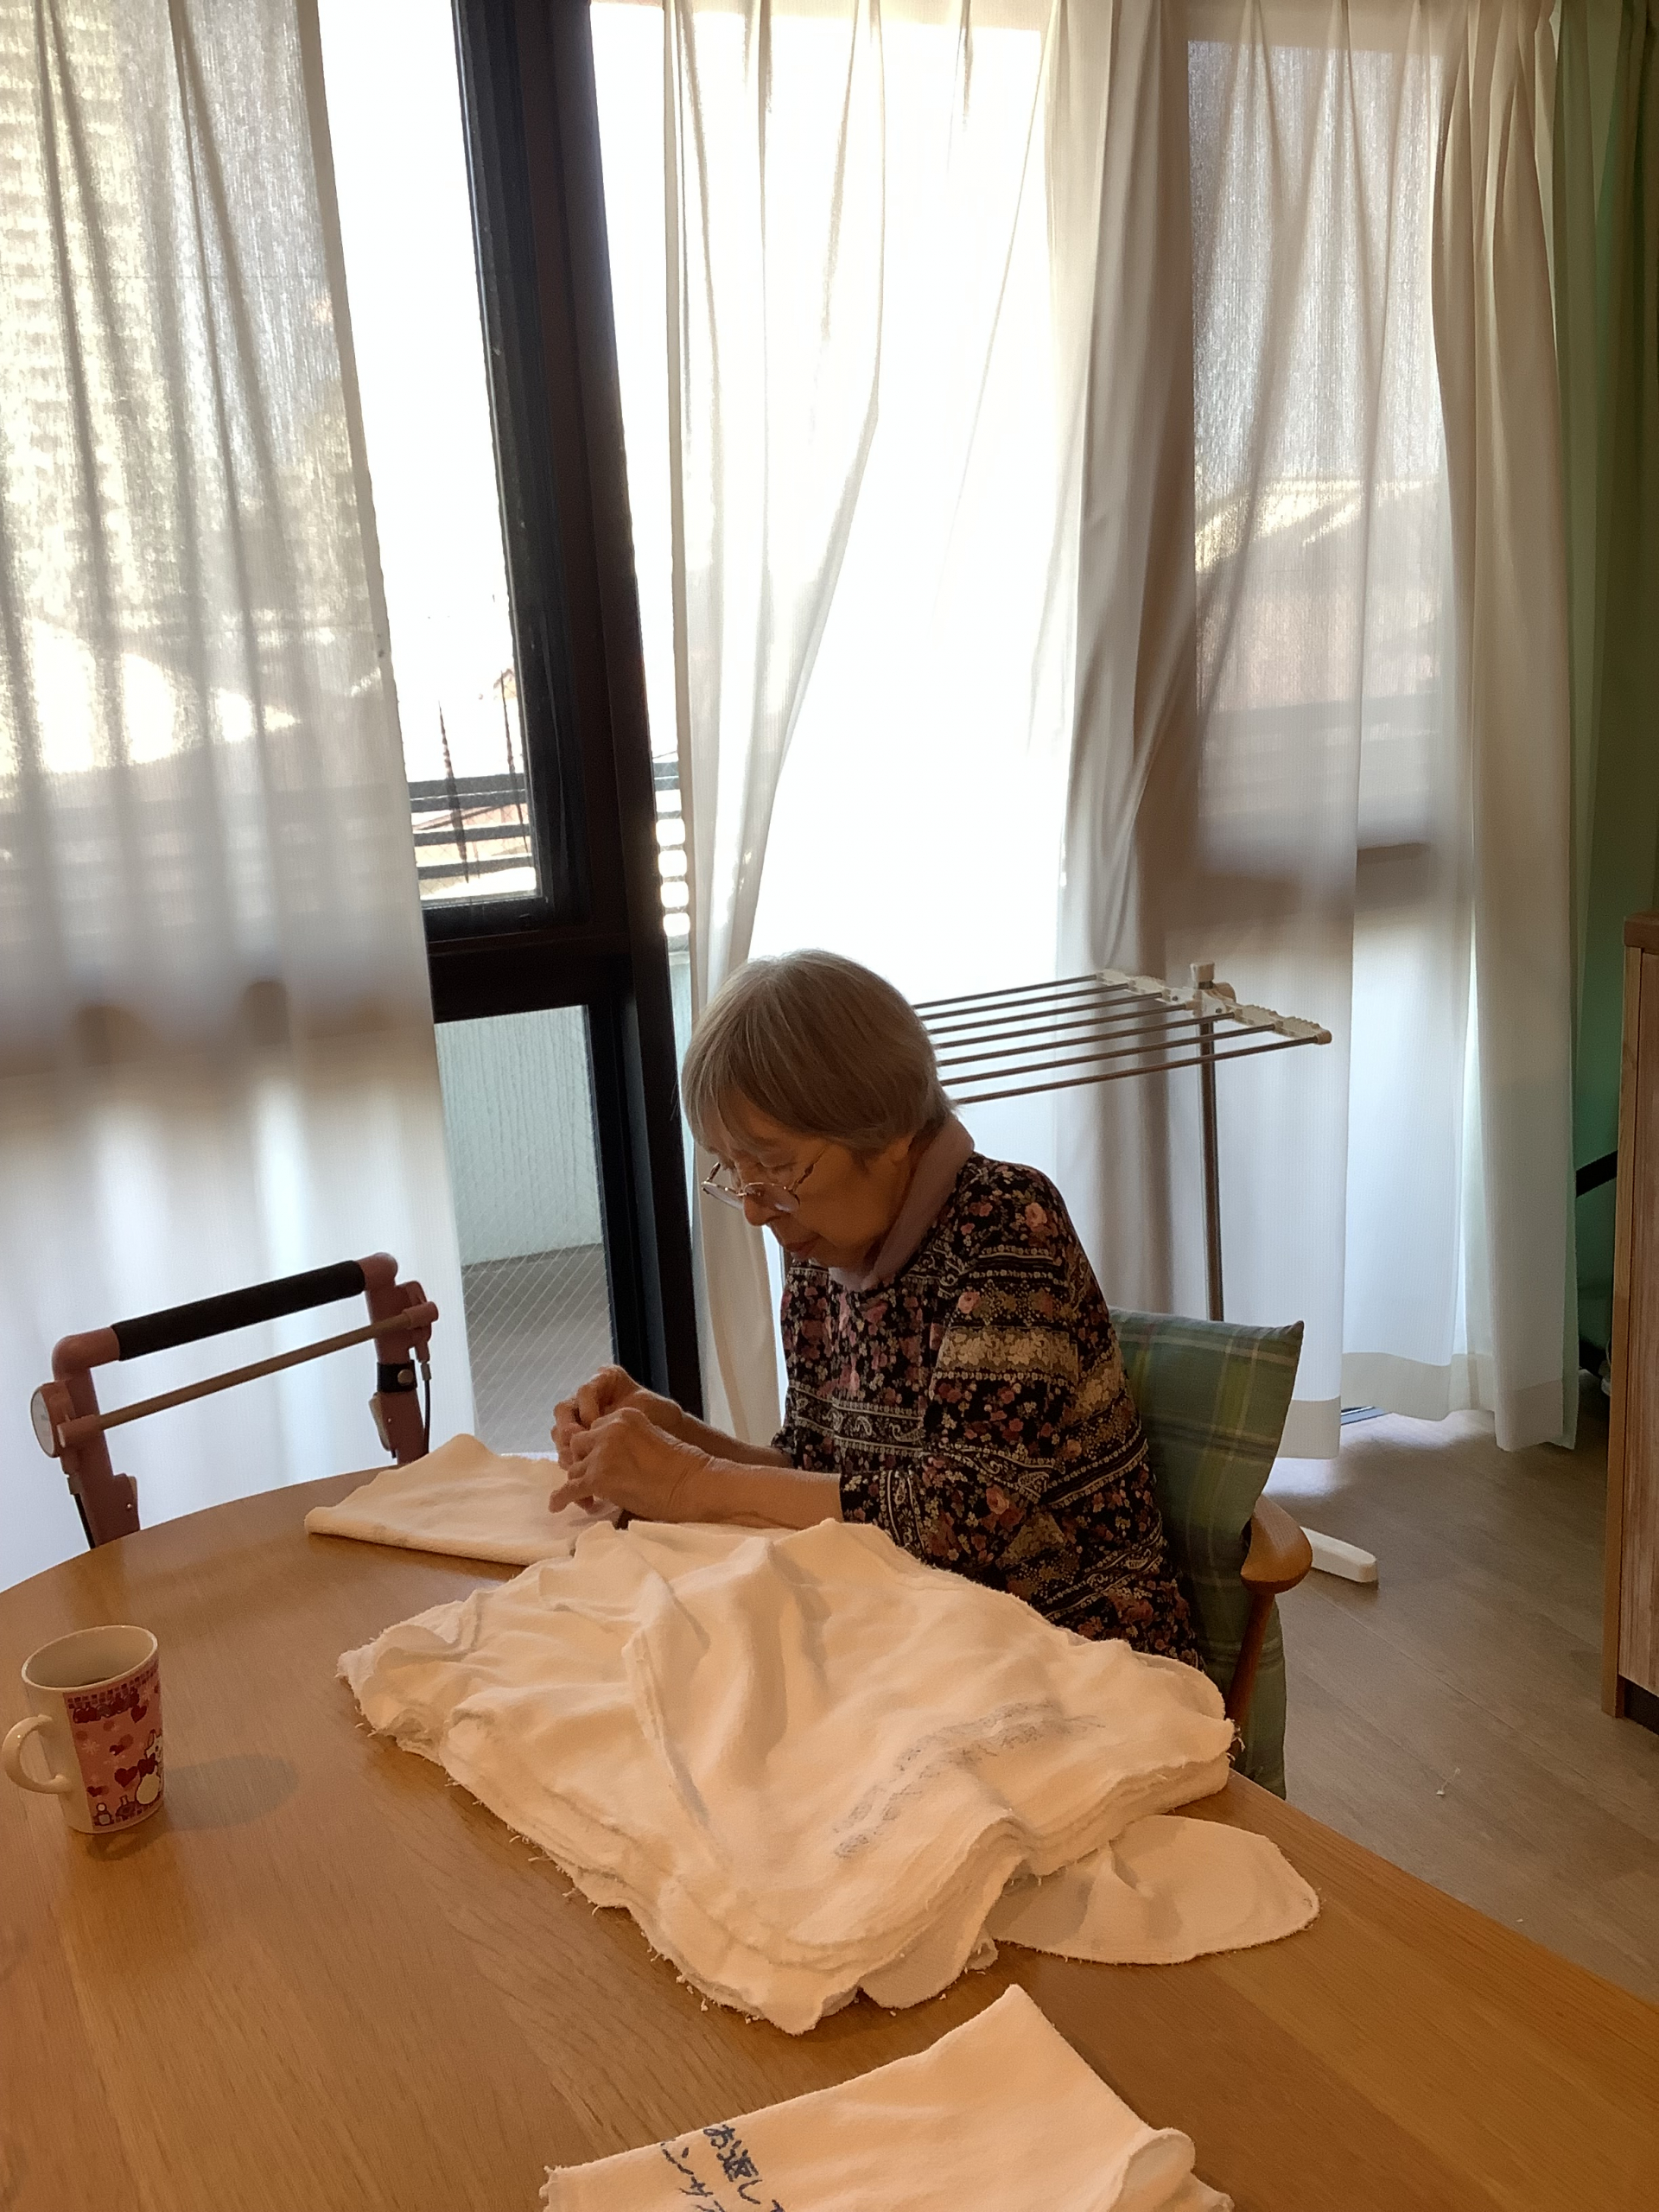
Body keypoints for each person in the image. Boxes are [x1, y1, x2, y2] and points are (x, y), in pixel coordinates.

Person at [551, 950, 1198, 1660]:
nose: (755, 1209)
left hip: (1077, 1647)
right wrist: (676, 1435)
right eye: (734, 1170)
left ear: (889, 1130)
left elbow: (959, 1521)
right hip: (911, 1627)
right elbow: (818, 1472)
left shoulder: (1009, 1225)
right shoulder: (817, 1248)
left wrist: (689, 1481)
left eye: (775, 1165)